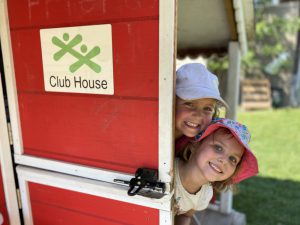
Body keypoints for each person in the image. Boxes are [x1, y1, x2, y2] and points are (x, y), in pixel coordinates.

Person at [174, 118, 259, 225]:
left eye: (232, 159)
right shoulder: (167, 169)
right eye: (218, 148)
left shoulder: (205, 195)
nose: (224, 160)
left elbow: (185, 215)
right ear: (195, 146)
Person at [175, 63, 228, 152]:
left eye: (207, 109)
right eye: (189, 104)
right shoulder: (154, 133)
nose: (198, 115)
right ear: (173, 102)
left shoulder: (201, 144)